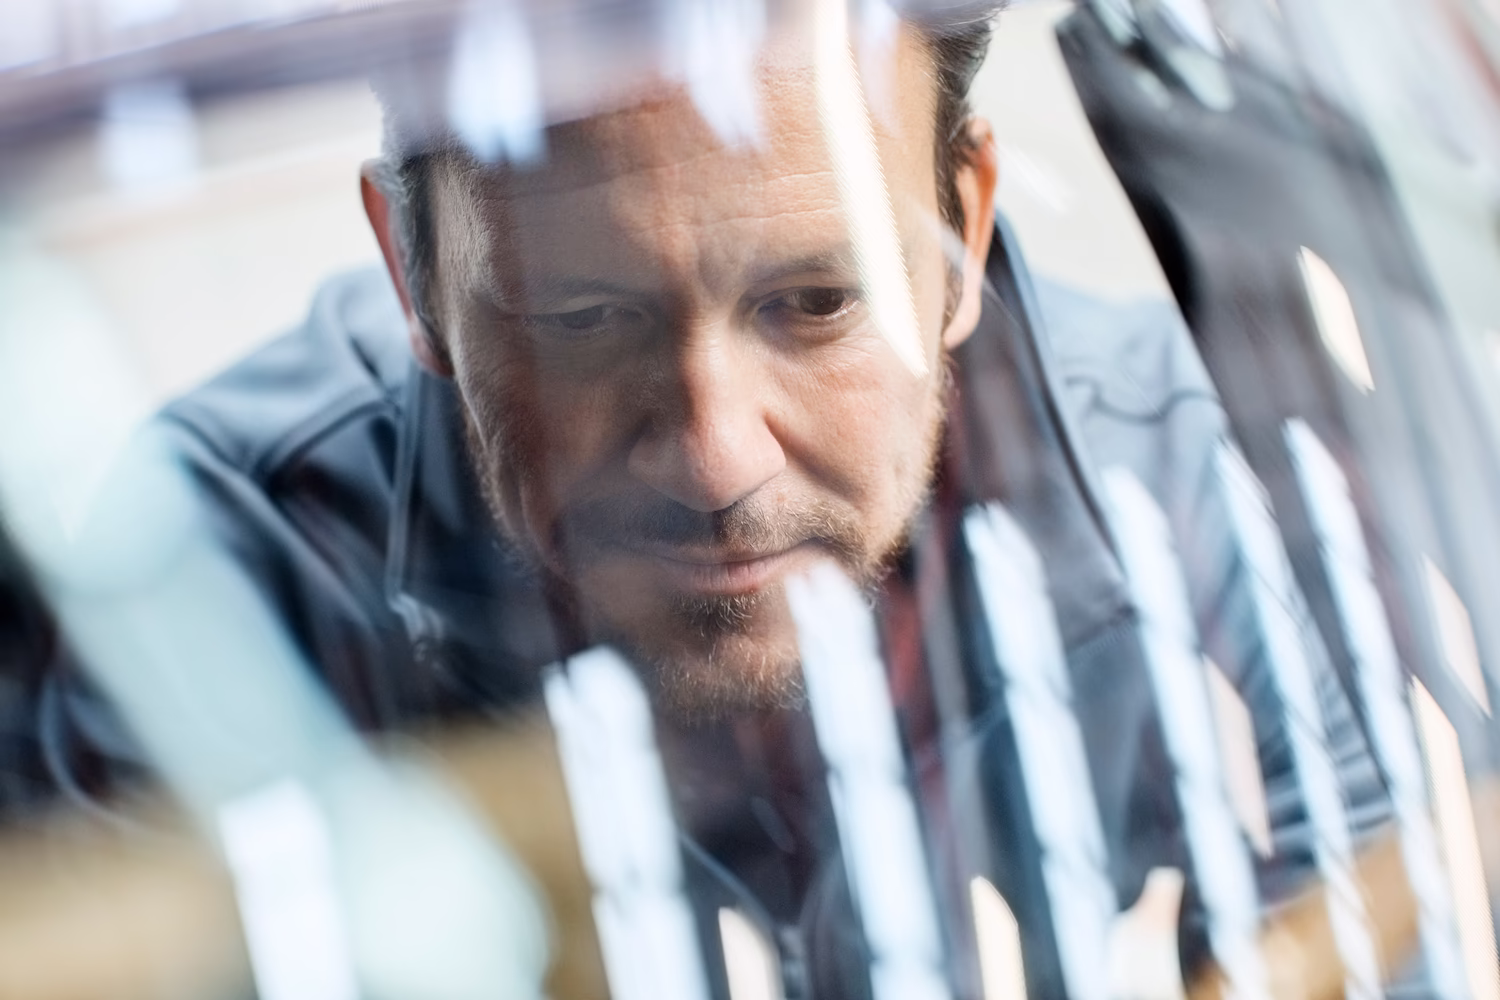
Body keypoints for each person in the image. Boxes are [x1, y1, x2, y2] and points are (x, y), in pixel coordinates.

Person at [15, 4, 1393, 996]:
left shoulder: (1218, 497)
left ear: (963, 226)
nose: (717, 460)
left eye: (813, 301)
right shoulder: (182, 606)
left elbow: (1391, 940)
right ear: (413, 272)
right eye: (582, 318)